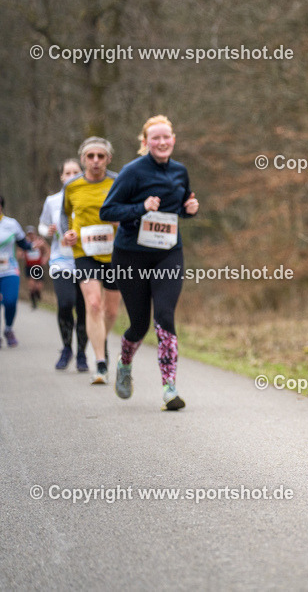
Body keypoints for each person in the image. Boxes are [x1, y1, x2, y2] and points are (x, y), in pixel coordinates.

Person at [100, 115, 198, 411]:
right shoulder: (132, 172)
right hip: (131, 255)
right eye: (155, 138)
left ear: (174, 139)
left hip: (168, 252)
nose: (162, 142)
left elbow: (180, 207)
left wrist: (189, 210)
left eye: (166, 137)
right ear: (145, 142)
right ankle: (125, 362)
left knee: (165, 315)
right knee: (140, 324)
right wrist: (140, 208)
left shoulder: (180, 171)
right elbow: (107, 211)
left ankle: (169, 388)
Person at [61, 137, 120, 384]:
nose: (95, 161)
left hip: (116, 252)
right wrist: (68, 233)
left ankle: (100, 341)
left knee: (111, 309)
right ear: (83, 158)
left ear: (108, 159)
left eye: (101, 156)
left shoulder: (118, 182)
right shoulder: (72, 186)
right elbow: (65, 216)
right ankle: (100, 363)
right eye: (90, 156)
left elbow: (129, 211)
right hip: (84, 252)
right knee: (93, 304)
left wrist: (123, 222)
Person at [40, 159, 90, 371]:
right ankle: (67, 347)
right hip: (61, 260)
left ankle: (81, 354)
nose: (71, 176)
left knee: (84, 308)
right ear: (61, 176)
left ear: (82, 173)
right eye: (67, 172)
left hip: (86, 259)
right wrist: (46, 232)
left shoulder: (87, 196)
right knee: (65, 304)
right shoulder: (52, 201)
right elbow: (42, 225)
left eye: (75, 172)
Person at [0, 195, 41, 347]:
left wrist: (31, 246)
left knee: (10, 301)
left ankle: (8, 329)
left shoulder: (11, 224)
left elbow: (22, 243)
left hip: (9, 269)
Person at [22, 227, 49, 309]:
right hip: (29, 266)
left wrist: (45, 258)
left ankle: (38, 294)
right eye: (29, 234)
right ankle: (33, 302)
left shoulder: (40, 241)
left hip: (38, 266)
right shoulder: (25, 242)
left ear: (34, 233)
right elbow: (20, 251)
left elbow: (47, 250)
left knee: (39, 286)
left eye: (32, 233)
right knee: (32, 285)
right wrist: (22, 254)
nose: (30, 235)